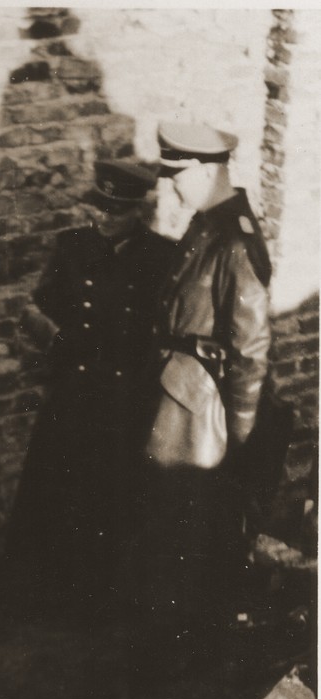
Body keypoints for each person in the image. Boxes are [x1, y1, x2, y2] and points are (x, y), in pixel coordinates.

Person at [4, 161, 174, 619]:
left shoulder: (162, 258)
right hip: (73, 392)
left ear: (137, 210)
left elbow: (162, 335)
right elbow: (38, 309)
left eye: (115, 212)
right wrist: (53, 340)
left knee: (110, 500)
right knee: (55, 495)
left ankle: (102, 599)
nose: (103, 219)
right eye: (99, 208)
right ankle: (46, 593)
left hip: (125, 402)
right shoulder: (73, 246)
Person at [138, 122, 271, 662]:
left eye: (178, 177)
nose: (170, 188)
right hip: (179, 391)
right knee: (174, 524)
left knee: (192, 527)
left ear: (207, 169)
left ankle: (187, 648)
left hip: (203, 406)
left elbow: (252, 345)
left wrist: (240, 431)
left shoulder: (235, 239)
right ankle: (172, 636)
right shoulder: (206, 224)